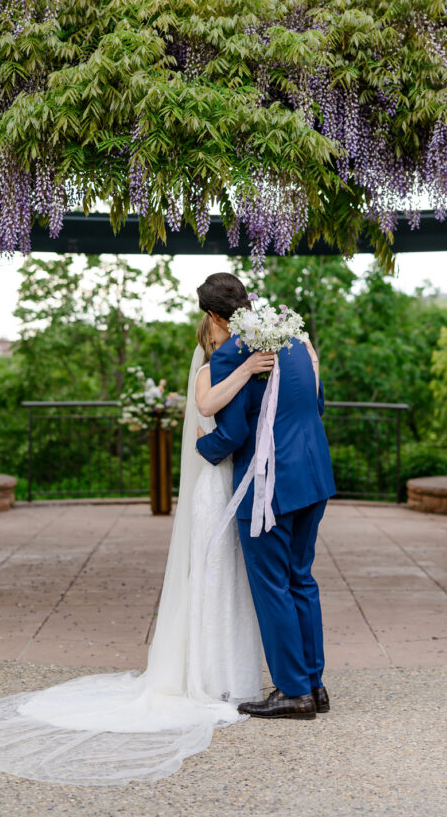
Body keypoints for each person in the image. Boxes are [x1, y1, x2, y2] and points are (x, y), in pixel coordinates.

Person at [0, 317, 275, 786]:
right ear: (212, 333)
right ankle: (208, 676)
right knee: (210, 575)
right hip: (214, 483)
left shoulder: (241, 366)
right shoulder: (208, 371)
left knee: (231, 578)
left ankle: (231, 671)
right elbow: (208, 411)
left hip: (233, 481)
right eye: (222, 337)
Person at [196, 272, 335, 721]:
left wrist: (204, 445)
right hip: (314, 477)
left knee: (273, 586)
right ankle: (314, 686)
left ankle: (293, 692)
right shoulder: (294, 341)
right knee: (302, 579)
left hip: (268, 488)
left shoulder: (231, 356)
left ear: (214, 316)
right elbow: (317, 404)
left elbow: (234, 433)